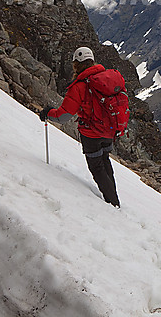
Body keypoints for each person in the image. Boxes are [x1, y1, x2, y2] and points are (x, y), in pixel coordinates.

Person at [40, 47, 121, 207]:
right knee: (105, 160)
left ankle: (113, 203)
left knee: (97, 166)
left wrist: (48, 113)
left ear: (76, 64)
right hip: (109, 130)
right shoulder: (105, 78)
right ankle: (114, 197)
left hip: (91, 133)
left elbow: (63, 116)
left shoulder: (79, 86)